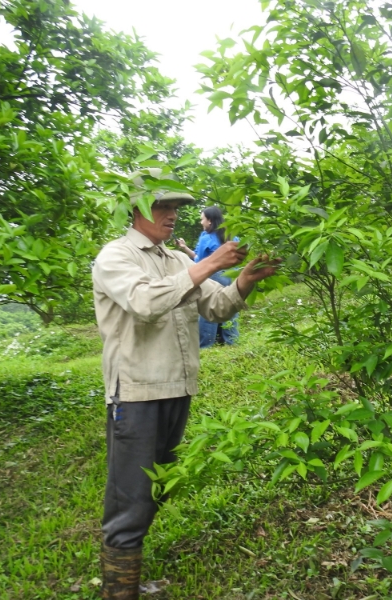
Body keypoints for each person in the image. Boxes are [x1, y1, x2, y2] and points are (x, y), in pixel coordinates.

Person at [92, 168, 279, 599]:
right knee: (130, 496)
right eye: (162, 205)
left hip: (177, 389)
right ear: (136, 208)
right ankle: (119, 591)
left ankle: (129, 579)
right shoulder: (116, 256)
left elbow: (217, 306)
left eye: (175, 206)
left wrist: (245, 280)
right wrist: (210, 262)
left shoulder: (177, 260)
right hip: (136, 393)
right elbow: (144, 303)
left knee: (155, 488)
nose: (173, 213)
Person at [175, 206, 240, 347]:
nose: (201, 222)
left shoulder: (206, 237)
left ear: (209, 221)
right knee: (230, 303)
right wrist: (185, 247)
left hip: (214, 275)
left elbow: (199, 261)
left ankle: (207, 343)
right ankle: (231, 340)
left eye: (202, 219)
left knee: (210, 306)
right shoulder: (232, 235)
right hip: (232, 274)